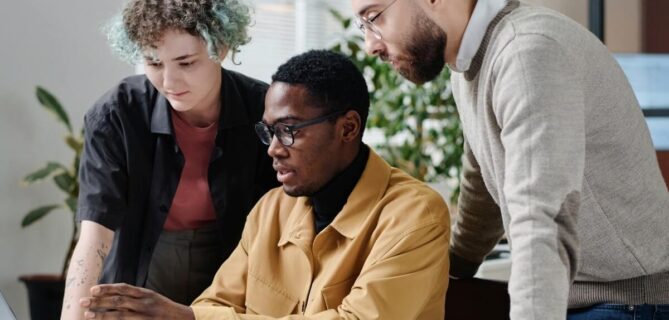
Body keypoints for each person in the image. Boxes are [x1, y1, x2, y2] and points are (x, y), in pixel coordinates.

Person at [351, 0, 669, 319]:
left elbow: (541, 218)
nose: (370, 46)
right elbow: (481, 185)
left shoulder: (526, 53)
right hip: (584, 296)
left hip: (628, 300)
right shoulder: (467, 65)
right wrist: (451, 268)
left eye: (374, 17)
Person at [77, 50, 451, 319]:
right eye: (268, 131)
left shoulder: (416, 216)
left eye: (288, 131)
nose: (273, 149)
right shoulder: (271, 209)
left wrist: (187, 319)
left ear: (348, 128)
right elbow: (216, 304)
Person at [61, 0, 279, 318]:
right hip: (141, 265)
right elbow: (95, 231)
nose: (169, 82)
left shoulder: (265, 109)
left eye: (186, 63)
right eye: (154, 63)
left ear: (220, 47)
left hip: (234, 270)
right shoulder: (117, 113)